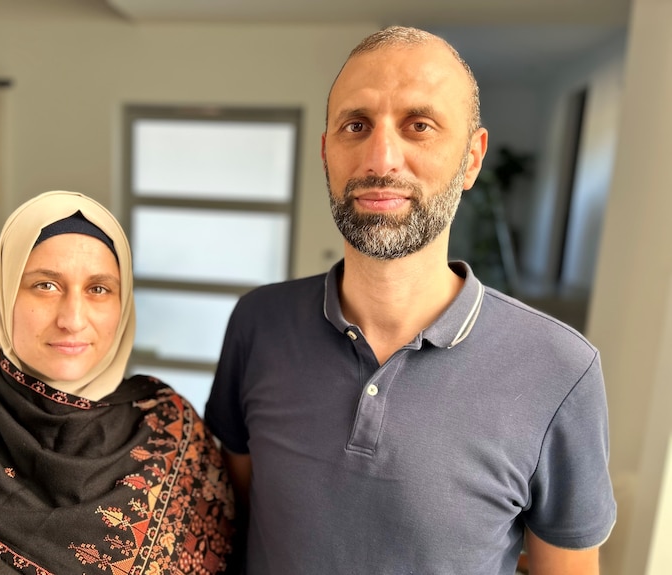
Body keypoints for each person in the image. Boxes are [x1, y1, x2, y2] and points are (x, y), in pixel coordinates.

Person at [205, 25, 616, 575]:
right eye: (356, 125)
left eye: (418, 125)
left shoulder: (562, 371)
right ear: (327, 152)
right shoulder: (258, 323)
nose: (381, 158)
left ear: (471, 159)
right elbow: (235, 524)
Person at [0, 190, 234, 574]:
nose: (72, 319)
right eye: (45, 285)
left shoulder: (172, 432)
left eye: (98, 289)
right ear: (4, 295)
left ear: (124, 304)